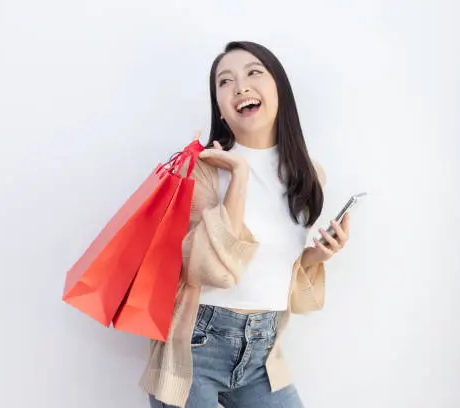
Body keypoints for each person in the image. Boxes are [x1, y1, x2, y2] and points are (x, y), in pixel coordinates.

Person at [141, 41, 351, 408]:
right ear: (221, 110)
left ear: (279, 90)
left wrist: (316, 255)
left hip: (262, 354)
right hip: (196, 349)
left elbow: (276, 272)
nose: (240, 86)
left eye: (254, 72)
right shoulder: (206, 169)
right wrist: (238, 176)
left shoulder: (308, 174)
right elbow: (207, 270)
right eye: (225, 81)